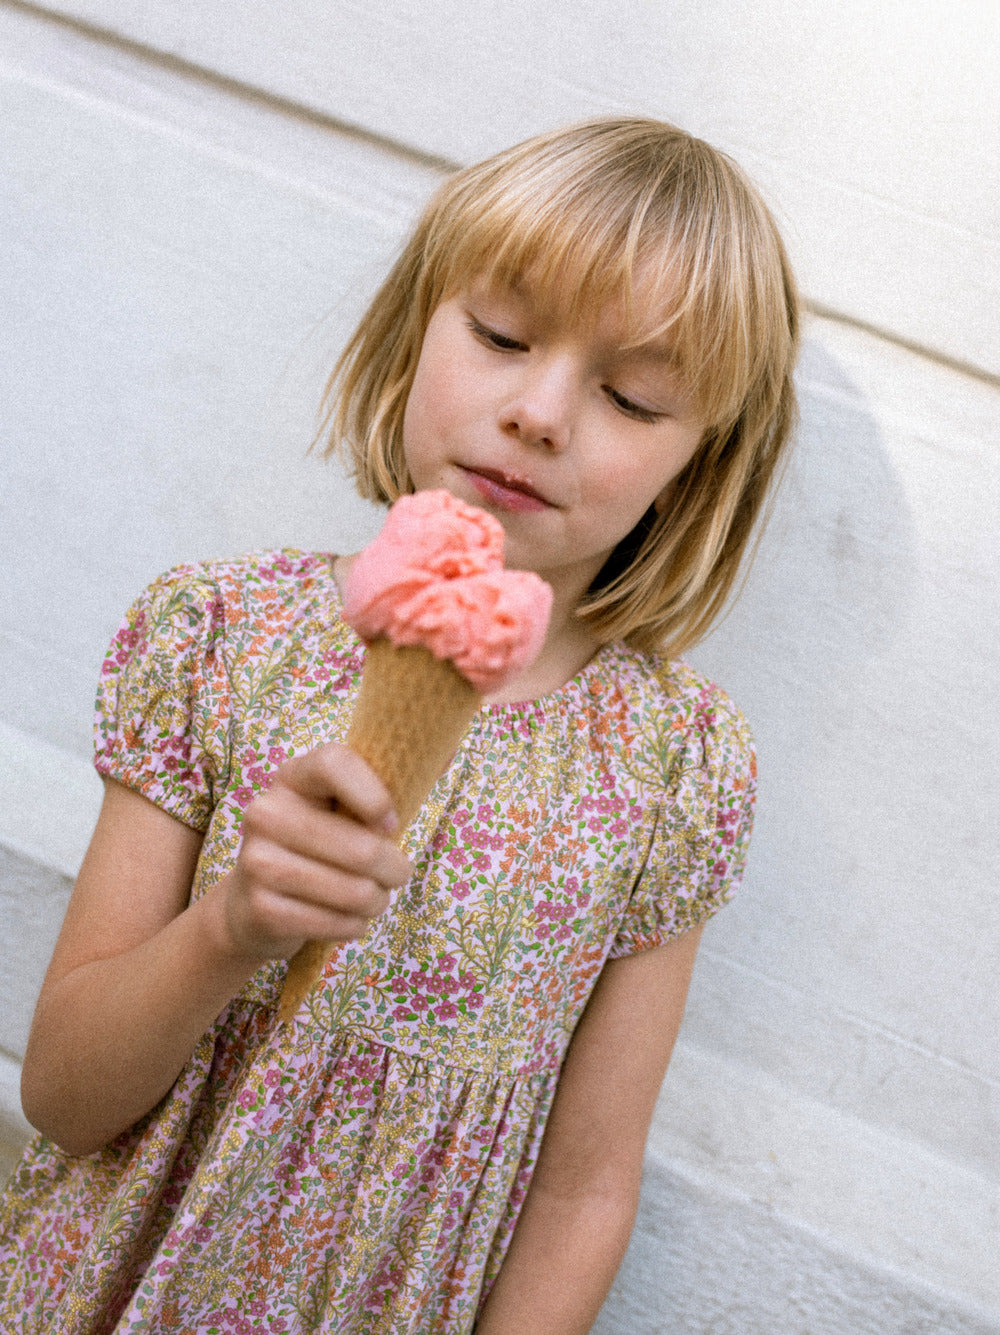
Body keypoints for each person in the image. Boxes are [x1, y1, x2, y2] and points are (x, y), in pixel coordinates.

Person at [0, 116, 798, 1332]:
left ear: (697, 465)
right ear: (415, 326)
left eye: (634, 397)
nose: (538, 410)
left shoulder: (673, 766)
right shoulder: (217, 635)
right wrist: (230, 929)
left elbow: (586, 1189)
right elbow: (61, 1093)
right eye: (498, 335)